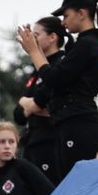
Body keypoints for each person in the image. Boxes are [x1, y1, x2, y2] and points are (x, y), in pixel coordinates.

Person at [22, 0, 98, 185]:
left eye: (66, 15)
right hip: (70, 123)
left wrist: (34, 52)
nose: (63, 22)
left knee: (75, 187)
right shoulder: (85, 44)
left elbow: (54, 77)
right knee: (68, 185)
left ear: (81, 13)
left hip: (79, 122)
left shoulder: (89, 44)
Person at [12, 18, 66, 178]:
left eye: (36, 35)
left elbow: (47, 102)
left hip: (52, 141)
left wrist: (29, 104)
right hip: (32, 142)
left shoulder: (59, 65)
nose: (32, 40)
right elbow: (19, 115)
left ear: (52, 37)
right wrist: (28, 104)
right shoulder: (36, 70)